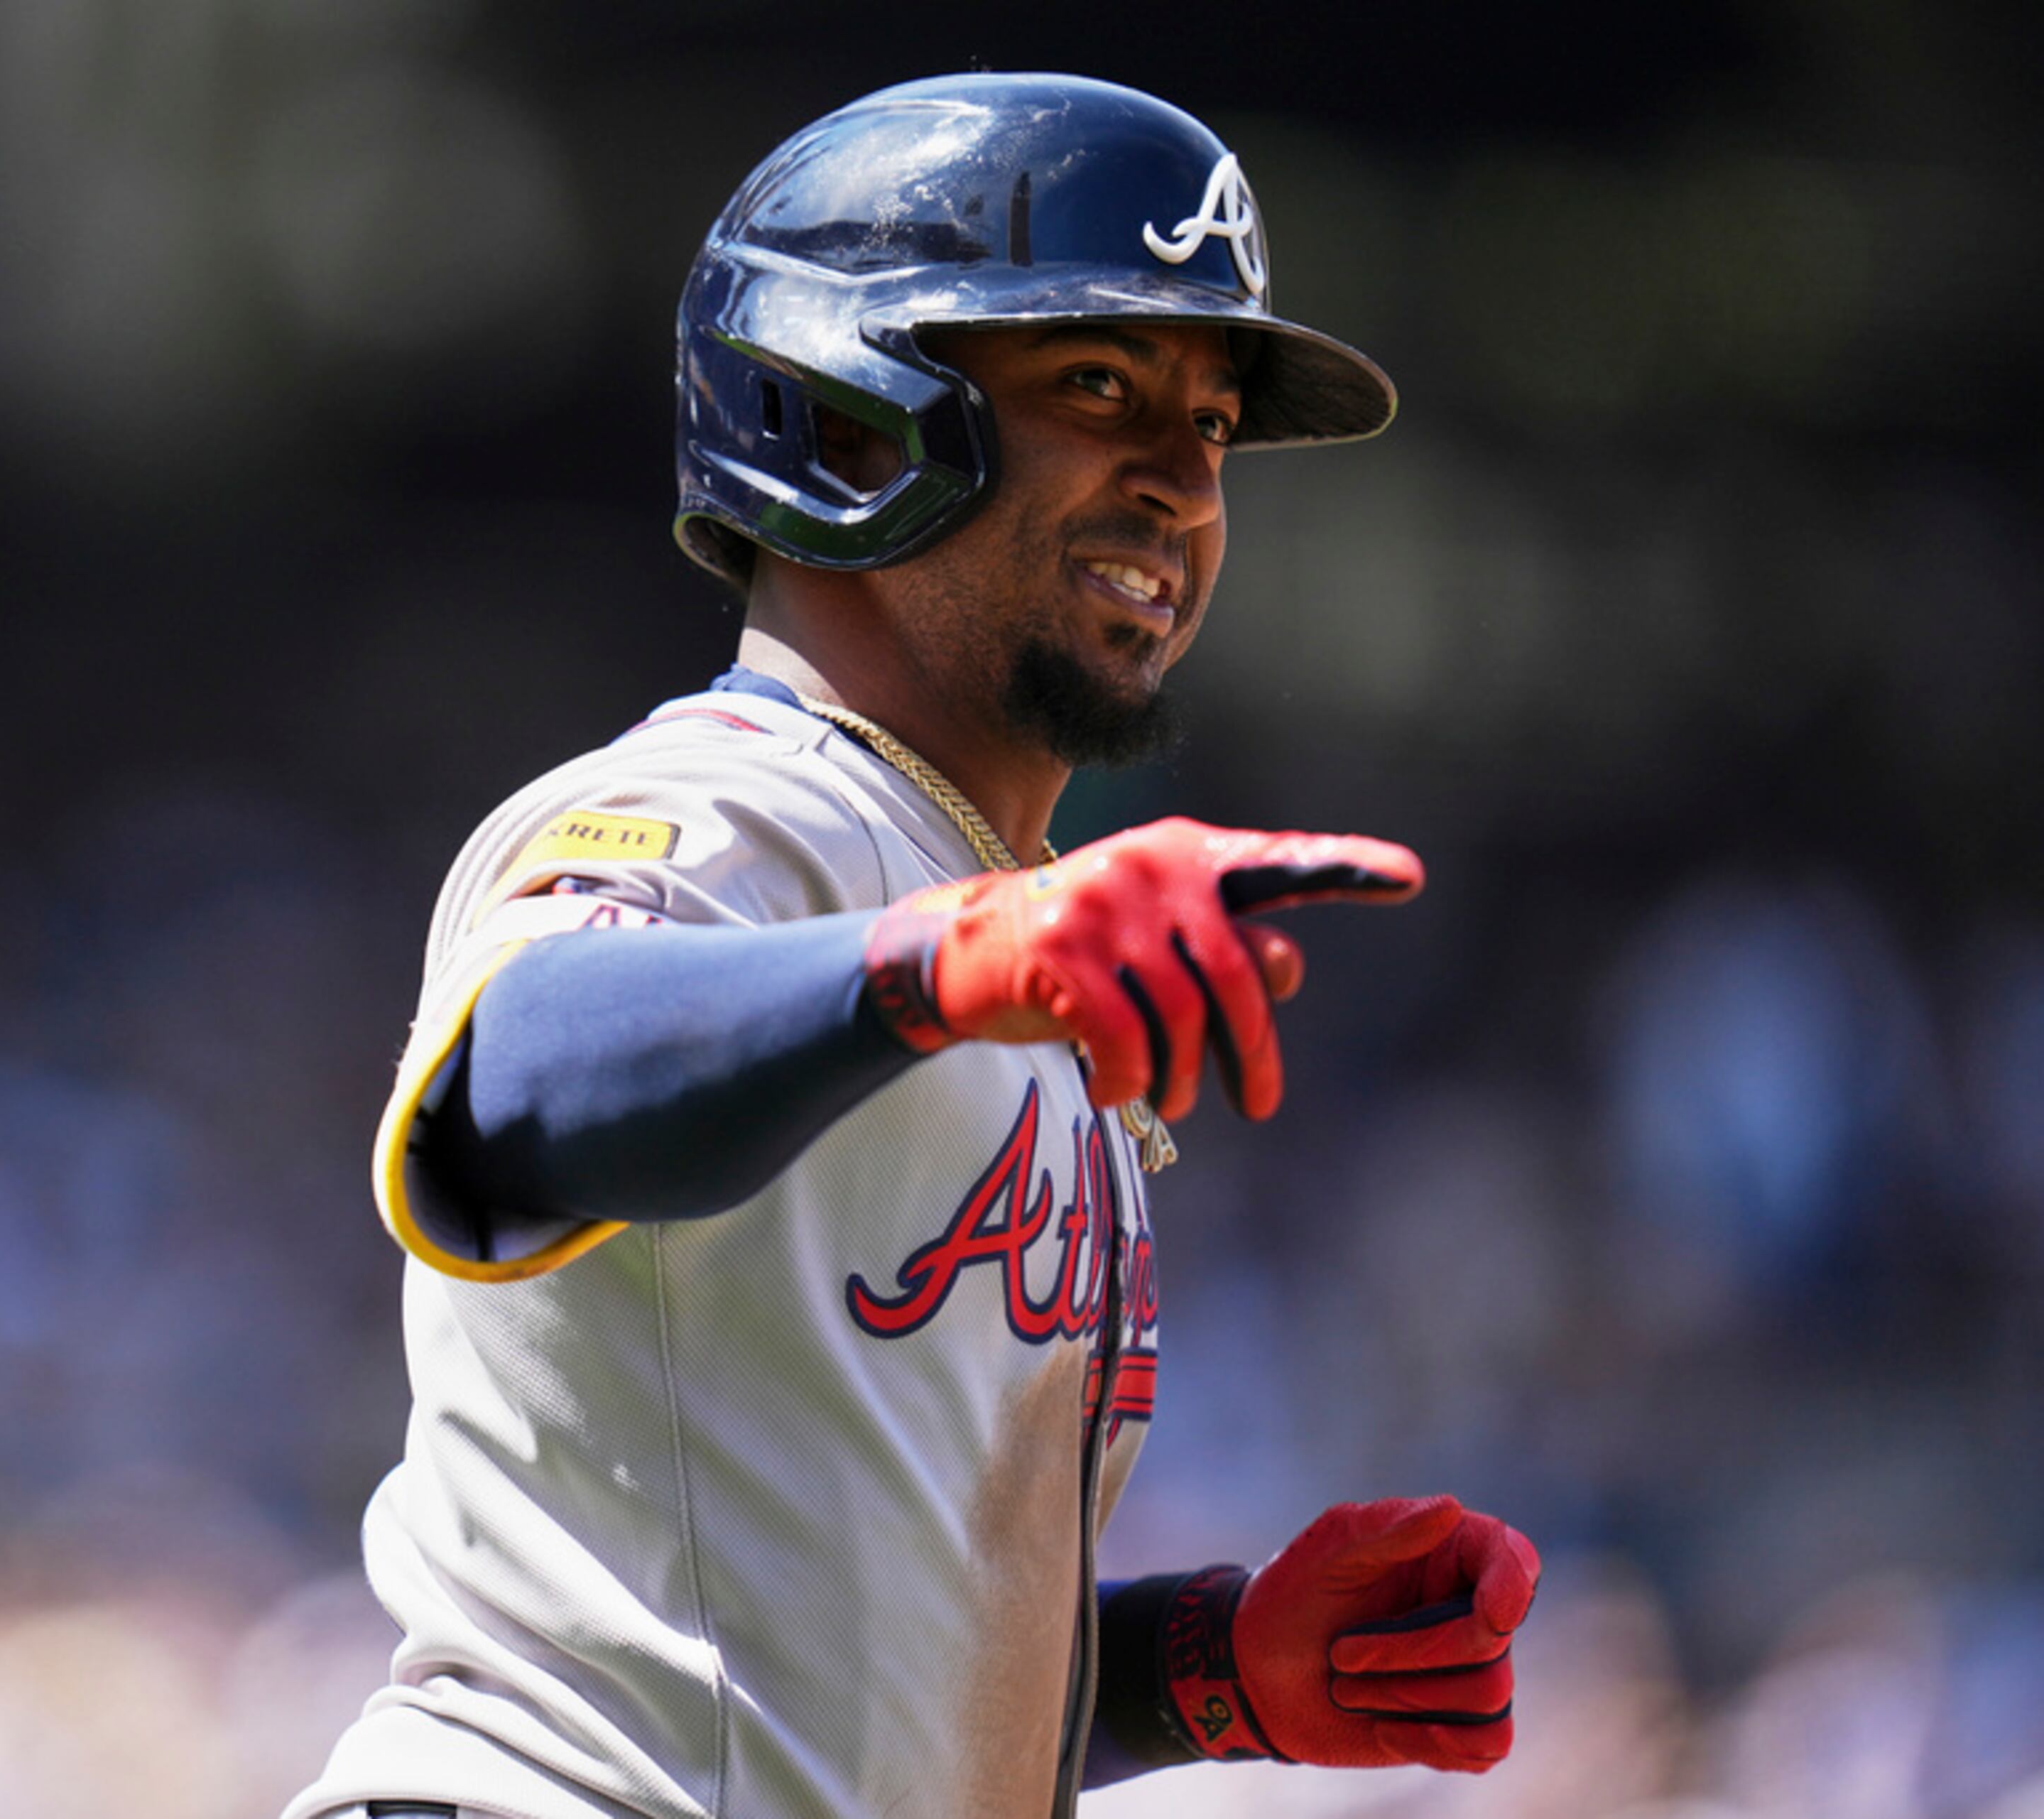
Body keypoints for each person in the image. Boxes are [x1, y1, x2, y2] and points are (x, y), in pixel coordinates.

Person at [287, 72, 1540, 1819]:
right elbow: (520, 1080)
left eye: (1213, 423)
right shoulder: (724, 805)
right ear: (851, 418)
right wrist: (947, 961)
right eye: (1100, 386)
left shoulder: (997, 928)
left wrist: (1214, 1670)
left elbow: (824, 1669)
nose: (1183, 484)